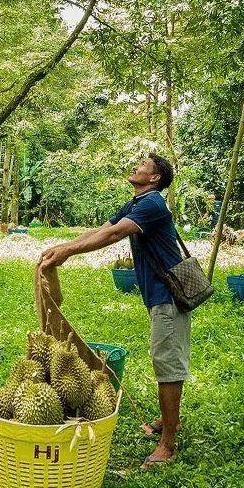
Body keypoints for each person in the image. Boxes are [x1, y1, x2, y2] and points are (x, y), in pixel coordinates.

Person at [39, 153, 186, 469]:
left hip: (169, 297)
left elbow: (114, 235)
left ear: (155, 178)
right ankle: (168, 420)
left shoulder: (152, 204)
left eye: (143, 165)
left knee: (168, 365)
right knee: (166, 358)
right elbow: (101, 229)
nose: (136, 166)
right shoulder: (135, 203)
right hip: (158, 296)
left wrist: (68, 252)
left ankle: (168, 444)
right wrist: (62, 247)